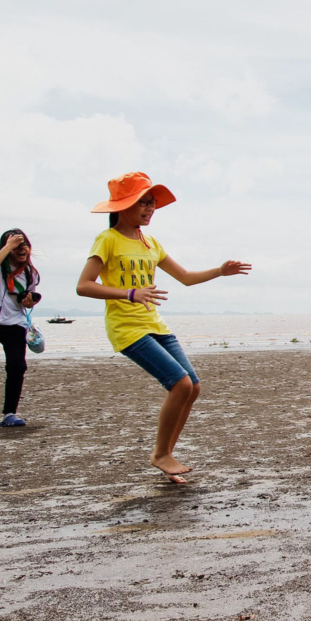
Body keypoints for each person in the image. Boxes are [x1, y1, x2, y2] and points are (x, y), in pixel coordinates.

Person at [75, 172, 251, 482]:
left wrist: (220, 272)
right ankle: (161, 454)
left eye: (152, 203)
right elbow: (84, 286)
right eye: (142, 202)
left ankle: (165, 455)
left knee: (193, 387)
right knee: (179, 384)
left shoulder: (151, 242)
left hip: (154, 324)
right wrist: (129, 293)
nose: (149, 208)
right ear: (123, 206)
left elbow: (185, 277)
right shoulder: (107, 239)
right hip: (127, 327)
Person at [0, 229, 41, 427]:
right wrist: (8, 247)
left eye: (24, 244)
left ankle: (10, 413)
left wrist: (28, 302)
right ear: (6, 247)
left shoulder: (30, 273)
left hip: (15, 322)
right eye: (16, 245)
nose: (22, 249)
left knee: (17, 366)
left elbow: (28, 300)